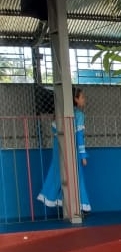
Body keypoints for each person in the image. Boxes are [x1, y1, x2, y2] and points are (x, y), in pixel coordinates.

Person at [37, 86, 91, 214]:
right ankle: (81, 206)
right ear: (75, 99)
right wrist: (83, 155)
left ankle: (55, 198)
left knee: (58, 173)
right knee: (77, 177)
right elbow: (79, 136)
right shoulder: (78, 115)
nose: (84, 100)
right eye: (82, 97)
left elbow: (56, 132)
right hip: (72, 149)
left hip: (59, 149)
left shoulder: (59, 115)